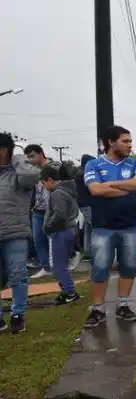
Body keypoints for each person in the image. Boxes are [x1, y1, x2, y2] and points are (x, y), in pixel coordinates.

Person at [83, 126, 136, 328]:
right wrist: (125, 186)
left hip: (131, 225)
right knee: (100, 267)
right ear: (111, 142)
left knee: (129, 266)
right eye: (125, 141)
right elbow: (95, 189)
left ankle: (123, 305)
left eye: (130, 141)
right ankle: (98, 309)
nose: (130, 145)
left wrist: (109, 185)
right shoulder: (93, 164)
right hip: (103, 226)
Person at [0, 133, 39, 334]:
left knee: (18, 275)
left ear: (5, 150)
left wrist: (17, 159)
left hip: (15, 232)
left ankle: (18, 315)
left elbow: (32, 177)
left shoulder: (20, 172)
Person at [40, 164, 81, 305]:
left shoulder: (57, 193)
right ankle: (66, 290)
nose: (44, 186)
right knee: (61, 264)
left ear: (50, 180)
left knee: (58, 265)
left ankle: (70, 291)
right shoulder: (67, 190)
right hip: (68, 230)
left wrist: (48, 225)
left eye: (43, 183)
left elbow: (59, 214)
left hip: (61, 231)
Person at [24, 144, 56, 279]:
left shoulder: (54, 167)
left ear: (41, 153)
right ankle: (46, 267)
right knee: (38, 240)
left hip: (52, 209)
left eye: (32, 156)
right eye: (28, 157)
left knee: (53, 239)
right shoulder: (33, 171)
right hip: (37, 210)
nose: (31, 159)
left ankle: (57, 266)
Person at [75, 154, 95, 260]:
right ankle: (91, 252)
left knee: (88, 229)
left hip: (82, 205)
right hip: (89, 204)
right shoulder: (85, 174)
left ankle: (87, 252)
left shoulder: (79, 173)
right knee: (93, 228)